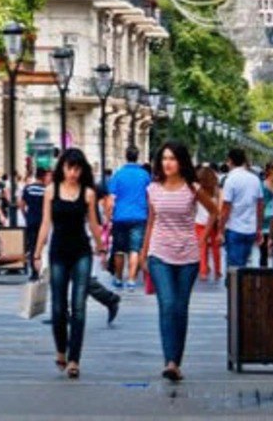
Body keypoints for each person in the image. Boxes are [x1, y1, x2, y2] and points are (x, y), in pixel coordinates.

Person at [141, 141, 219, 383]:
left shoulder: (192, 188)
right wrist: (144, 254)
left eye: (172, 158)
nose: (167, 163)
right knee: (167, 304)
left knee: (180, 308)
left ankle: (177, 360)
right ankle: (170, 362)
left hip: (188, 256)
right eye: (164, 158)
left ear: (181, 162)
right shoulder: (153, 189)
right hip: (159, 253)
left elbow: (214, 210)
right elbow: (151, 222)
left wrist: (203, 239)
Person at [33, 148, 106, 380]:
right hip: (58, 252)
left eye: (77, 168)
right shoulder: (51, 191)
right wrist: (36, 253)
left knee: (79, 307)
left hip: (81, 252)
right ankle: (61, 349)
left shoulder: (88, 194)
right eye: (69, 168)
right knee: (57, 306)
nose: (73, 173)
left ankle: (74, 359)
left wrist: (101, 246)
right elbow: (46, 223)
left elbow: (94, 224)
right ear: (62, 168)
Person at [106, 146, 151, 288]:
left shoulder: (118, 174)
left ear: (126, 156)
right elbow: (149, 197)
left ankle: (118, 278)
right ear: (137, 157)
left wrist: (108, 217)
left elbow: (111, 199)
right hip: (139, 216)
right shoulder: (144, 175)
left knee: (119, 249)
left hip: (120, 216)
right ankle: (131, 279)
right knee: (134, 249)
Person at [219, 149, 263, 269]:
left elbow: (226, 208)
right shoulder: (255, 179)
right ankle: (241, 287)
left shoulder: (230, 180)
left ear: (230, 161)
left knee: (234, 267)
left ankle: (234, 287)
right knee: (243, 265)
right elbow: (260, 205)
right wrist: (259, 228)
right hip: (250, 229)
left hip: (234, 229)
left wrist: (220, 229)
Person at [19, 167, 50, 278]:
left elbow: (21, 204)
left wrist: (26, 215)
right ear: (43, 176)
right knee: (42, 245)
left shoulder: (28, 188)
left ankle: (34, 272)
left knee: (32, 246)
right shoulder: (46, 190)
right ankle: (42, 268)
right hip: (43, 221)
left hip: (31, 220)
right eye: (47, 176)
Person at [194, 165, 222, 281]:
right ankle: (218, 271)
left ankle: (203, 271)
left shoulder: (197, 190)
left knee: (202, 248)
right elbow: (219, 209)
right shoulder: (217, 191)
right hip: (214, 223)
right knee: (216, 249)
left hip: (199, 222)